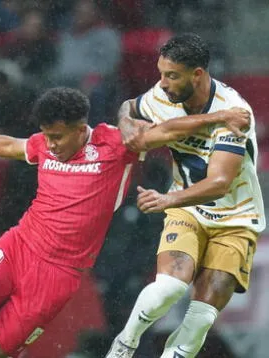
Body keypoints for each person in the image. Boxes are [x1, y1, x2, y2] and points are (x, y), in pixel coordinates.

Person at [0, 87, 250, 358]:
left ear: (81, 128)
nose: (51, 144)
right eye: (47, 136)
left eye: (58, 136)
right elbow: (10, 145)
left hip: (60, 273)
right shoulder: (45, 143)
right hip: (19, 245)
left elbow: (169, 130)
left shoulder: (116, 143)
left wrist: (220, 117)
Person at [106, 33, 265, 358]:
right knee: (170, 287)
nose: (162, 83)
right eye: (161, 73)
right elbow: (129, 108)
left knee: (201, 316)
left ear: (198, 74)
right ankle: (125, 341)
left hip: (235, 218)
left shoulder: (235, 113)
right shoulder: (163, 96)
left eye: (172, 75)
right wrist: (124, 122)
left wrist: (166, 200)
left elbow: (219, 182)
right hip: (188, 211)